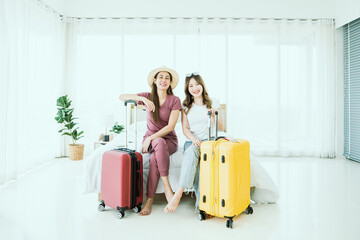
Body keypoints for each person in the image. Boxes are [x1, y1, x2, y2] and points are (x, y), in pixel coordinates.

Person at [119, 66, 182, 216]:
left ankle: (153, 197)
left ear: (170, 83)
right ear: (154, 80)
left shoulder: (175, 100)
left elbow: (171, 126)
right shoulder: (146, 96)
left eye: (167, 78)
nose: (163, 80)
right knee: (155, 154)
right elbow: (121, 97)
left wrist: (151, 138)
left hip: (169, 140)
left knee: (157, 147)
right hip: (153, 139)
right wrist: (141, 99)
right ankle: (163, 191)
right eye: (160, 77)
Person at [165, 72, 223, 213]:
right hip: (192, 141)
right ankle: (188, 198)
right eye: (191, 85)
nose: (195, 88)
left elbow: (221, 128)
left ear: (202, 85)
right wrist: (194, 140)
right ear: (187, 89)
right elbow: (185, 129)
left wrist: (214, 115)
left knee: (199, 162)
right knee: (192, 152)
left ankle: (186, 197)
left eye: (197, 84)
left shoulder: (214, 102)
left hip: (209, 142)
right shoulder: (185, 106)